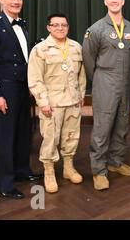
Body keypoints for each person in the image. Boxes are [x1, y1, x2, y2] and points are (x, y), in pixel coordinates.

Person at [0, 0, 42, 200]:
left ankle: (21, 171)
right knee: (4, 137)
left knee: (23, 133)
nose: (16, 2)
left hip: (23, 88)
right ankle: (4, 184)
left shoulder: (22, 24)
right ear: (1, 0)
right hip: (4, 89)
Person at [83, 0, 130, 191]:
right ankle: (98, 171)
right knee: (102, 128)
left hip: (127, 82)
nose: (114, 1)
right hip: (105, 79)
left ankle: (115, 162)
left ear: (123, 2)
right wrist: (98, 79)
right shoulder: (96, 29)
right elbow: (88, 59)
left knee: (123, 124)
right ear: (105, 2)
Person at [28, 13, 86, 193]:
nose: (60, 28)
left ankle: (68, 167)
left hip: (72, 102)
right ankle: (49, 171)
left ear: (68, 27)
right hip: (52, 104)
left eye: (64, 25)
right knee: (50, 138)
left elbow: (81, 75)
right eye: (56, 25)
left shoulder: (76, 47)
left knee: (72, 136)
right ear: (49, 27)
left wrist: (81, 95)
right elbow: (35, 79)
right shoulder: (40, 50)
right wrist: (43, 102)